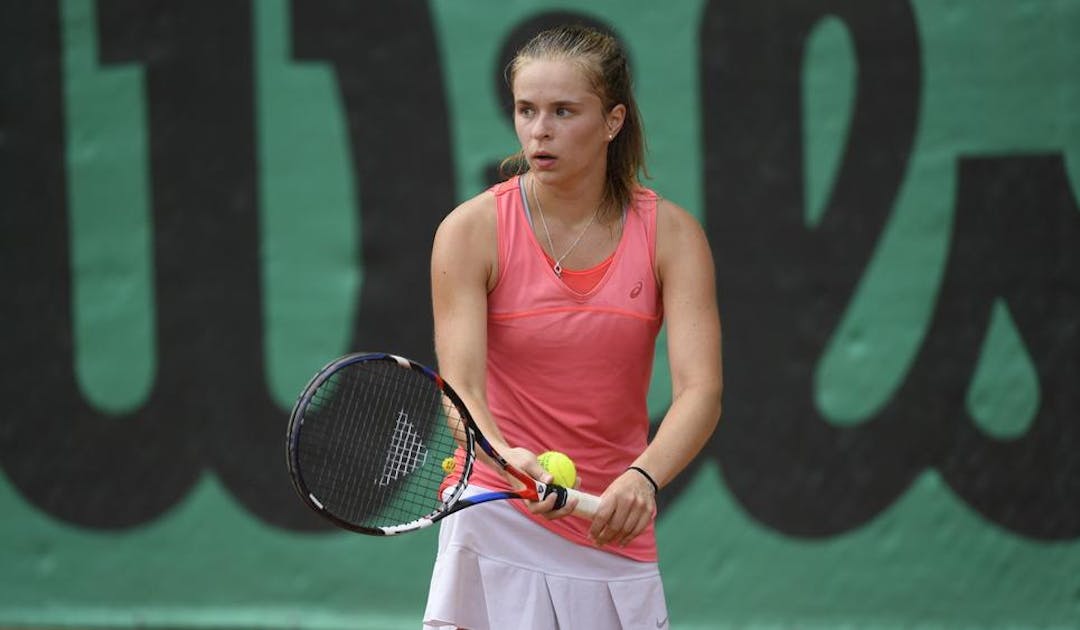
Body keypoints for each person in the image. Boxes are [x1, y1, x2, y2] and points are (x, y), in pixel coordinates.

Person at [423, 24, 722, 630]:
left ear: (613, 121)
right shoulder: (470, 231)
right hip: (496, 509)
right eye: (527, 110)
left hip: (612, 520)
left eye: (564, 111)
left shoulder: (673, 236)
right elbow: (462, 389)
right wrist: (507, 458)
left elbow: (701, 391)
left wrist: (643, 478)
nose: (540, 130)